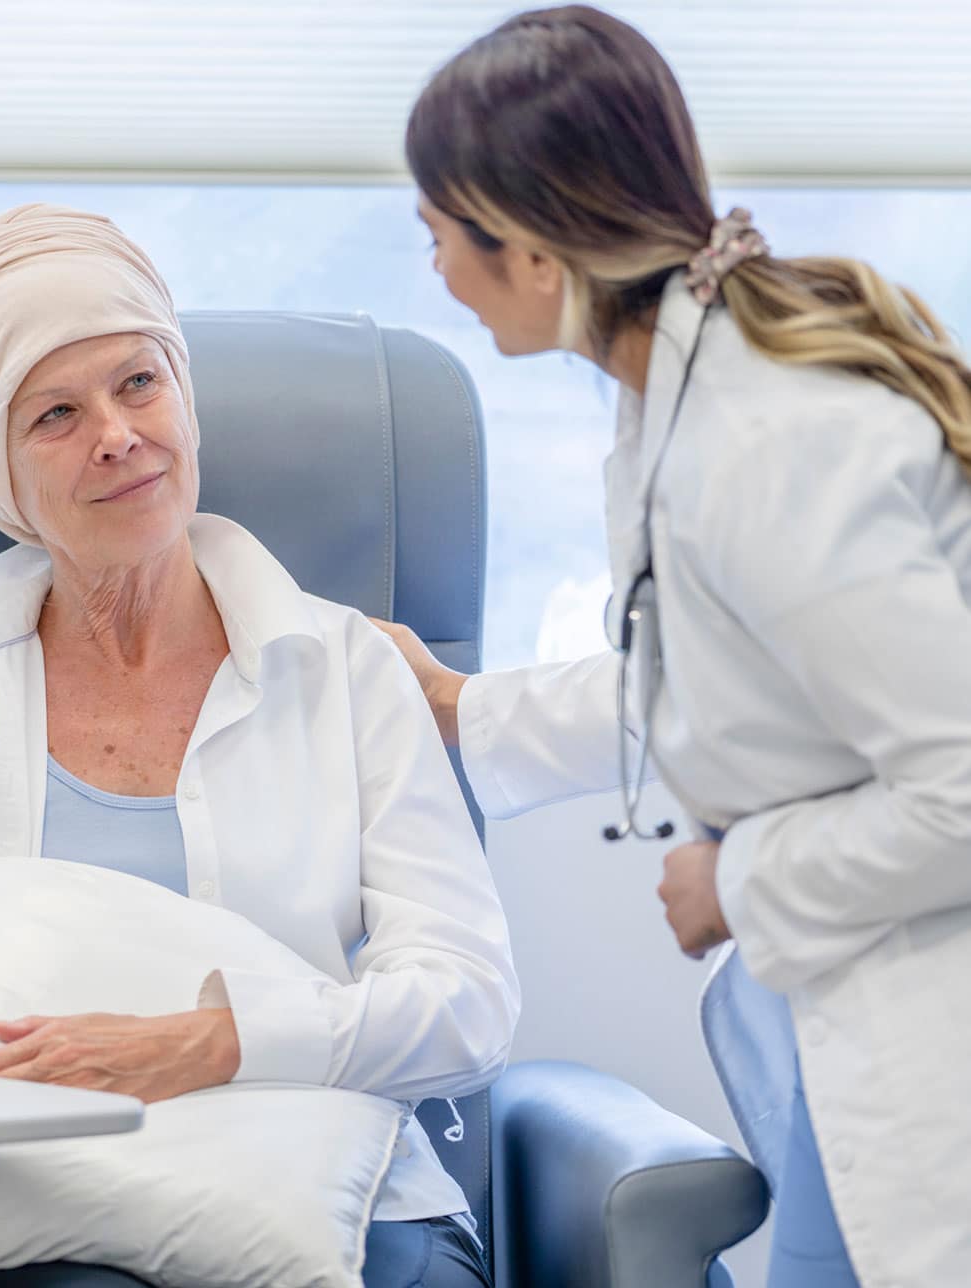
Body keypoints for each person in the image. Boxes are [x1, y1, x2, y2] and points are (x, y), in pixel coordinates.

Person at [0, 202, 518, 1288]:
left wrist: (216, 1042)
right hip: (14, 1206)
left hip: (333, 1207)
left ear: (184, 398)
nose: (117, 433)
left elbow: (468, 1001)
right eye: (55, 415)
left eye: (138, 383)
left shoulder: (348, 670)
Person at [374, 7, 971, 1286]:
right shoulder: (685, 392)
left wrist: (734, 880)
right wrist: (454, 706)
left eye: (440, 236)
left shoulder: (767, 444)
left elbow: (962, 787)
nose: (435, 273)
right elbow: (722, 680)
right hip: (849, 1005)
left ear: (531, 251)